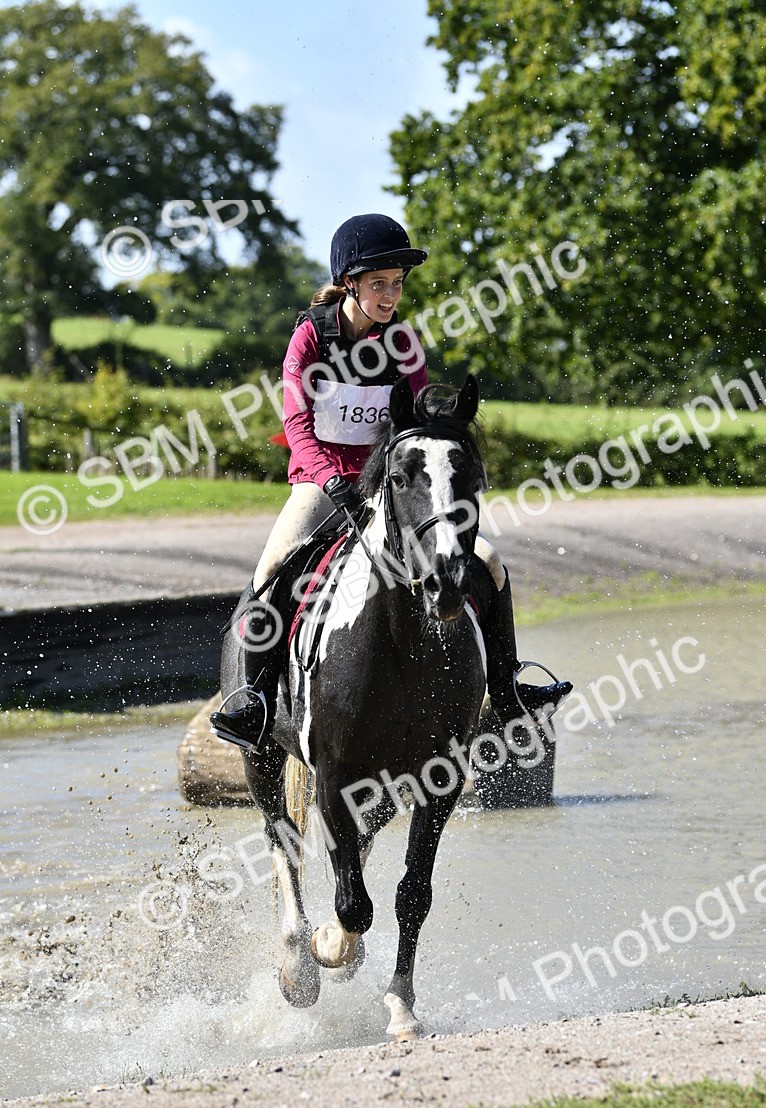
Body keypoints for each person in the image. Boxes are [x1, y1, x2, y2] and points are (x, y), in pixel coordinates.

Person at [211, 213, 569, 751]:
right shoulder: (310, 337)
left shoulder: (403, 344)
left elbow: (418, 423)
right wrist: (331, 480)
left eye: (397, 283)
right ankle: (255, 701)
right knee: (270, 572)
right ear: (350, 283)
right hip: (319, 485)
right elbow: (296, 424)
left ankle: (505, 689)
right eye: (379, 283)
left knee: (490, 564)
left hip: (388, 488)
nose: (390, 294)